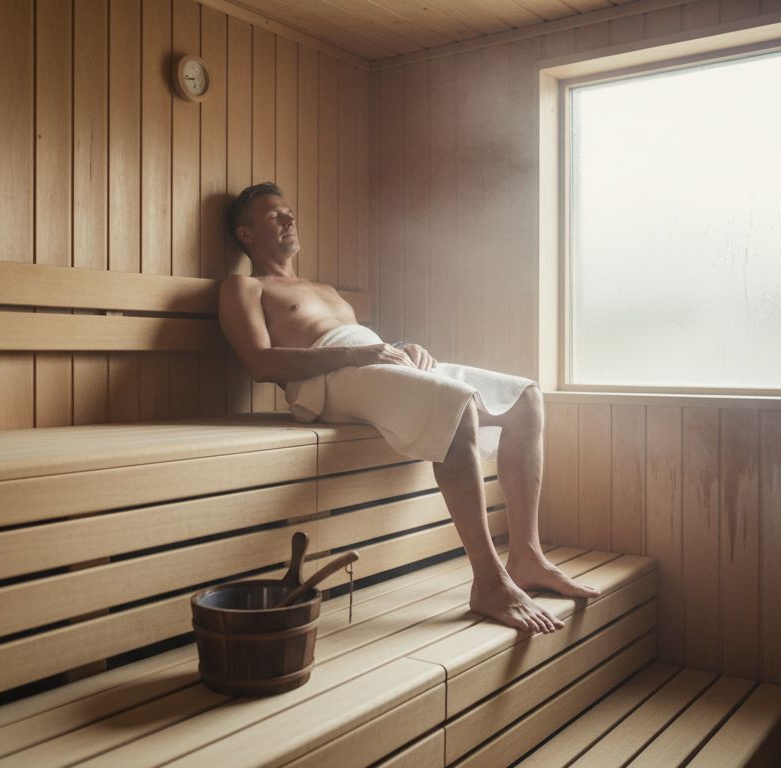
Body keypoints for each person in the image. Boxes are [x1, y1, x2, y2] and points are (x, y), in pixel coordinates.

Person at [217, 182, 599, 635]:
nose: (289, 220)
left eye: (290, 213)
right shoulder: (244, 286)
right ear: (245, 234)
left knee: (525, 398)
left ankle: (527, 557)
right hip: (325, 382)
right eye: (275, 216)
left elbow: (366, 347)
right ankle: (489, 582)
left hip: (373, 363)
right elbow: (260, 364)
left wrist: (401, 348)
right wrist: (359, 355)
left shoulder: (324, 287)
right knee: (458, 408)